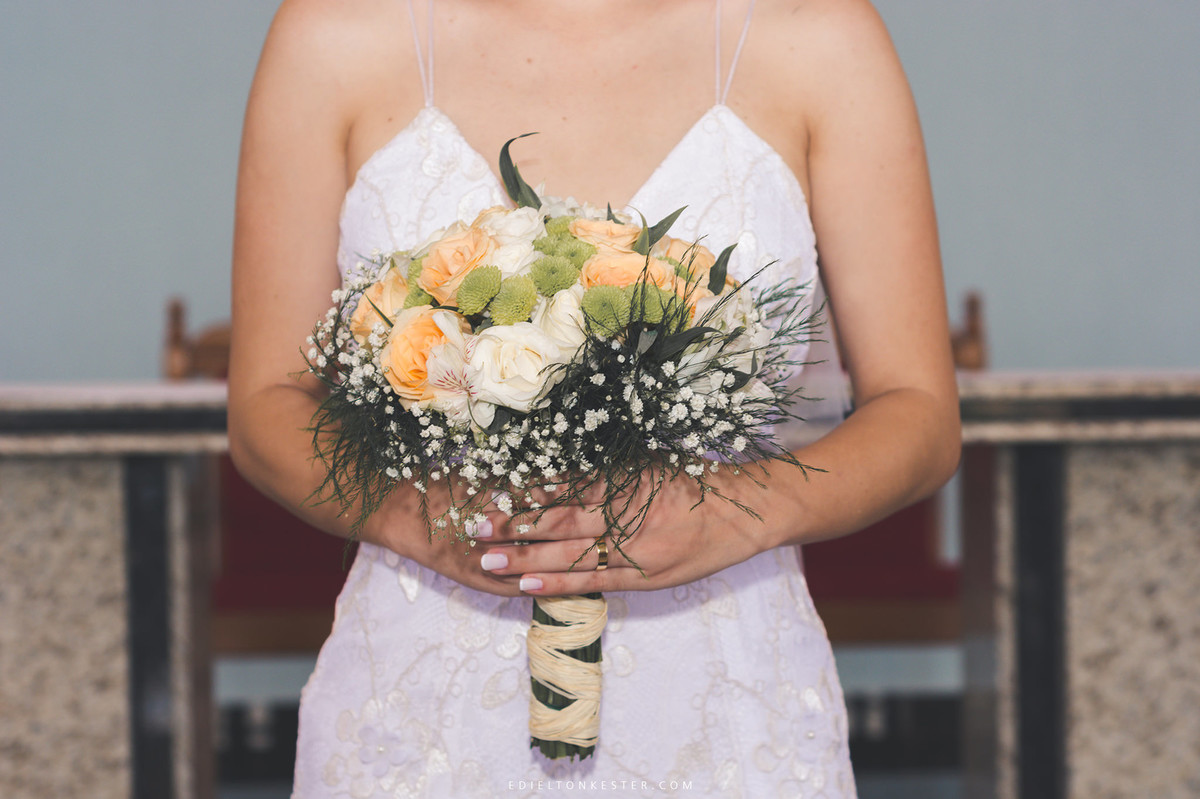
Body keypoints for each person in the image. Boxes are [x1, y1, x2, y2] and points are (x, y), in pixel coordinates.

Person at [228, 0, 960, 795]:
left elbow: (918, 410)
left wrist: (730, 508)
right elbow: (267, 404)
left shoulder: (817, 33)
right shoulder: (336, 31)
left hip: (726, 692)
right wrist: (431, 519)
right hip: (424, 692)